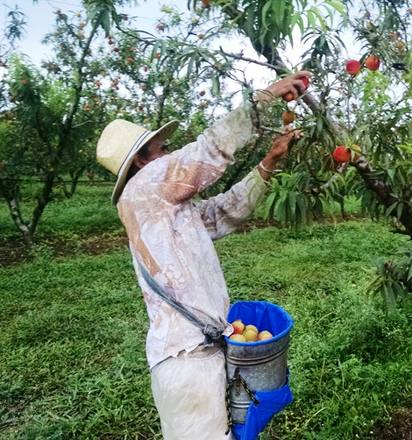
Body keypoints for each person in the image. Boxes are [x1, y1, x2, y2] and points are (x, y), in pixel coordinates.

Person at [95, 71, 310, 439]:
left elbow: (223, 212)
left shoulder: (161, 209)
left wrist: (269, 162)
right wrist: (268, 96)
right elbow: (208, 150)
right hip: (187, 363)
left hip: (197, 358)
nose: (169, 153)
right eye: (162, 150)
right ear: (144, 164)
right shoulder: (144, 188)